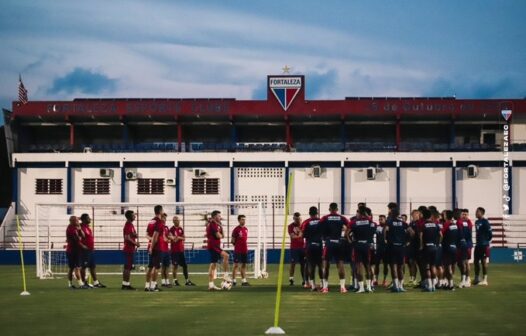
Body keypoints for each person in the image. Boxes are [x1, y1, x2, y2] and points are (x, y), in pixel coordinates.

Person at [319, 202, 349, 293]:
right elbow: (350, 225)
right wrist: (345, 232)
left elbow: (319, 227)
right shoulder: (342, 218)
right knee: (340, 265)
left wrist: (323, 236)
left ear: (329, 209)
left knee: (326, 265)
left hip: (329, 243)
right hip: (339, 242)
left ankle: (325, 288)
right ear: (337, 209)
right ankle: (342, 287)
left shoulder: (325, 218)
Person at [348, 205, 375, 293]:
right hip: (366, 245)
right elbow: (373, 228)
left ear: (359, 212)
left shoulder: (354, 222)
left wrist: (350, 241)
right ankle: (369, 287)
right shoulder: (370, 222)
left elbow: (346, 233)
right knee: (368, 266)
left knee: (359, 266)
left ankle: (361, 288)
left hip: (357, 245)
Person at [384, 207, 408, 292]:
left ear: (392, 214)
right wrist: (406, 241)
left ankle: (396, 286)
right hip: (401, 247)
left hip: (392, 247)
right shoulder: (403, 223)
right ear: (398, 214)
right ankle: (401, 286)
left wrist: (385, 239)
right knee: (400, 267)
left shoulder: (389, 222)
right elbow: (411, 232)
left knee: (393, 267)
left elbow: (385, 230)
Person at [79, 213, 106, 288]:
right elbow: (78, 239)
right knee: (83, 267)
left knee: (92, 267)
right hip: (84, 251)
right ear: (84, 219)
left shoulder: (88, 227)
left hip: (90, 250)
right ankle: (84, 283)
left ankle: (96, 283)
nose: (90, 219)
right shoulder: (81, 228)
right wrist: (82, 246)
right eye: (88, 218)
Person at [206, 210, 231, 290]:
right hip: (213, 246)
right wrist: (220, 234)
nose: (220, 217)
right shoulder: (212, 224)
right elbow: (218, 236)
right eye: (219, 216)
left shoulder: (217, 225)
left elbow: (222, 236)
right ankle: (226, 274)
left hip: (215, 246)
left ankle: (211, 284)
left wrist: (221, 227)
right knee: (226, 256)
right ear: (215, 217)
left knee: (213, 265)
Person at [419, 208, 442, 292]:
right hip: (434, 247)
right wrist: (438, 244)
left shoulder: (423, 225)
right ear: (430, 216)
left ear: (424, 216)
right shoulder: (435, 224)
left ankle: (429, 286)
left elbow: (421, 236)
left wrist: (421, 246)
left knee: (427, 267)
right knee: (433, 266)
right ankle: (433, 286)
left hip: (427, 247)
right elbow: (440, 235)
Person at [301, 206, 323, 291]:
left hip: (309, 246)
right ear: (317, 213)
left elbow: (302, 235)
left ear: (309, 213)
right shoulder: (321, 221)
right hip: (319, 245)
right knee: (320, 265)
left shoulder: (306, 222)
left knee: (310, 265)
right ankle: (322, 284)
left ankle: (313, 285)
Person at [169, 215, 195, 286]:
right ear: (173, 221)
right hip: (174, 251)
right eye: (175, 220)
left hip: (181, 250)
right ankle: (175, 280)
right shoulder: (171, 229)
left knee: (185, 265)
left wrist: (178, 237)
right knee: (175, 266)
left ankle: (187, 280)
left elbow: (183, 238)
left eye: (177, 220)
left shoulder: (181, 228)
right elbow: (173, 238)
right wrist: (176, 238)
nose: (176, 221)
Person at [146, 205, 165, 292]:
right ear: (160, 211)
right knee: (156, 267)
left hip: (151, 246)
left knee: (150, 267)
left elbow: (147, 235)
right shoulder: (159, 222)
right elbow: (155, 237)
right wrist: (152, 247)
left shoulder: (151, 221)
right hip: (157, 247)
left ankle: (147, 286)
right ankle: (153, 286)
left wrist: (150, 246)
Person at [66, 216, 88, 289]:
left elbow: (83, 236)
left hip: (75, 250)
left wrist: (80, 229)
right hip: (72, 251)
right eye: (76, 221)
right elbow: (78, 240)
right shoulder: (71, 229)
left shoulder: (76, 228)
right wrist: (83, 246)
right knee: (76, 267)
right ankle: (80, 284)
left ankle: (70, 284)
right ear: (71, 221)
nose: (78, 222)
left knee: (73, 267)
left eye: (77, 221)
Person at [474, 207, 492, 286]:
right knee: (475, 262)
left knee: (483, 262)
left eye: (477, 212)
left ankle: (485, 279)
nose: (476, 213)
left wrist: (486, 241)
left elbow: (490, 234)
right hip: (478, 245)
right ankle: (477, 278)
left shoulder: (485, 222)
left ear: (481, 213)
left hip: (484, 245)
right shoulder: (477, 222)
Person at [122, 210, 140, 290]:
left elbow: (130, 235)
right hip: (128, 249)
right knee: (127, 267)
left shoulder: (130, 225)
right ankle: (126, 284)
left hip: (130, 249)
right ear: (130, 217)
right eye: (133, 215)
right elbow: (127, 237)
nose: (135, 216)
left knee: (128, 267)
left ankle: (125, 284)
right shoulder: (128, 225)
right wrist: (136, 243)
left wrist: (134, 235)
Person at [288, 212, 307, 287]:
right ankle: (291, 279)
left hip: (303, 248)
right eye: (296, 219)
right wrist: (300, 235)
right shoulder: (290, 226)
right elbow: (292, 236)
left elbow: (305, 235)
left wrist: (300, 235)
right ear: (293, 219)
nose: (297, 220)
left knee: (303, 264)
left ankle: (304, 280)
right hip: (294, 248)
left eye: (298, 219)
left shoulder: (303, 226)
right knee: (293, 263)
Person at [441, 210, 458, 290]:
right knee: (450, 266)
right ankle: (449, 283)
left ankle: (451, 284)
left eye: (444, 214)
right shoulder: (455, 225)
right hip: (454, 247)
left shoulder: (446, 224)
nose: (442, 215)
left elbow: (441, 233)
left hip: (447, 248)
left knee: (448, 267)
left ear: (446, 216)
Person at [457, 208, 474, 288]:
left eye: (465, 214)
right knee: (461, 262)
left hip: (466, 245)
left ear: (468, 215)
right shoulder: (460, 222)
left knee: (465, 262)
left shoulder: (468, 222)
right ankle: (466, 279)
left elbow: (465, 233)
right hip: (461, 245)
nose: (464, 216)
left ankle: (465, 280)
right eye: (463, 214)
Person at [231, 215, 250, 286]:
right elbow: (232, 241)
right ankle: (234, 280)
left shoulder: (246, 229)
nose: (244, 221)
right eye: (242, 219)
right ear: (239, 220)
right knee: (236, 265)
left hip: (244, 250)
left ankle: (244, 281)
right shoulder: (236, 229)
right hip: (238, 250)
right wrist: (237, 246)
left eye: (244, 219)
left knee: (244, 265)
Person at [373, 215, 389, 288]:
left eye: (382, 219)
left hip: (386, 249)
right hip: (379, 248)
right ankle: (375, 280)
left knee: (386, 265)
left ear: (385, 219)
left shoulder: (388, 227)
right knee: (377, 265)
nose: (380, 220)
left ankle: (384, 280)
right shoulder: (377, 227)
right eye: (379, 219)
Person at [159, 213, 173, 288]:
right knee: (162, 267)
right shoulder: (159, 227)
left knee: (166, 266)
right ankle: (163, 282)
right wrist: (167, 239)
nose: (164, 219)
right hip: (161, 249)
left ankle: (167, 282)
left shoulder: (166, 227)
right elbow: (164, 237)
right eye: (163, 218)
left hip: (166, 250)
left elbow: (169, 235)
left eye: (165, 218)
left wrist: (172, 237)